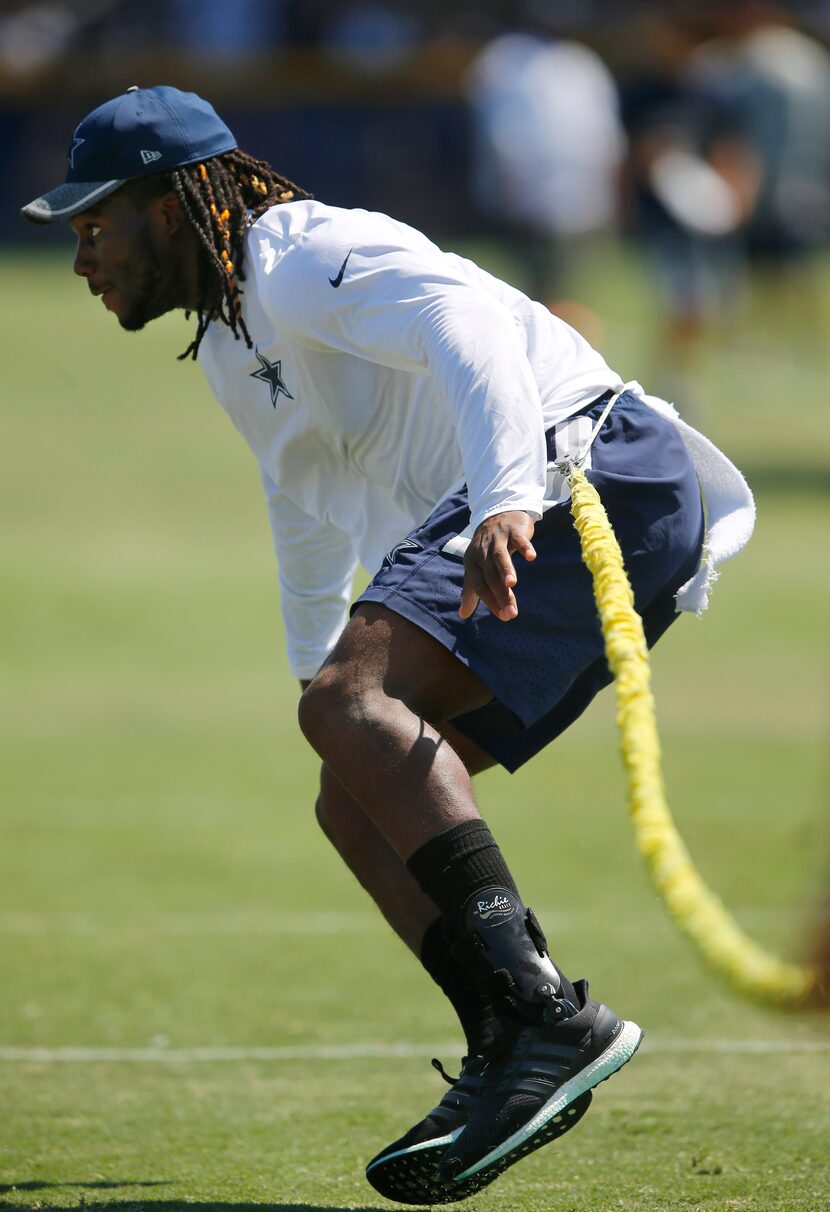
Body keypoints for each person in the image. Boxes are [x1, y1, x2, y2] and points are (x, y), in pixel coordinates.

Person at [22, 85, 753, 1205]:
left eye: (94, 225)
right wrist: (319, 695)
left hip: (594, 472)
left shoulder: (302, 254)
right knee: (346, 793)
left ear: (169, 207)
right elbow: (302, 511)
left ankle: (543, 1020)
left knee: (350, 711)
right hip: (549, 494)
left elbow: (466, 325)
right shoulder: (229, 341)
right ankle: (517, 1047)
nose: (83, 258)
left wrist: (506, 499)